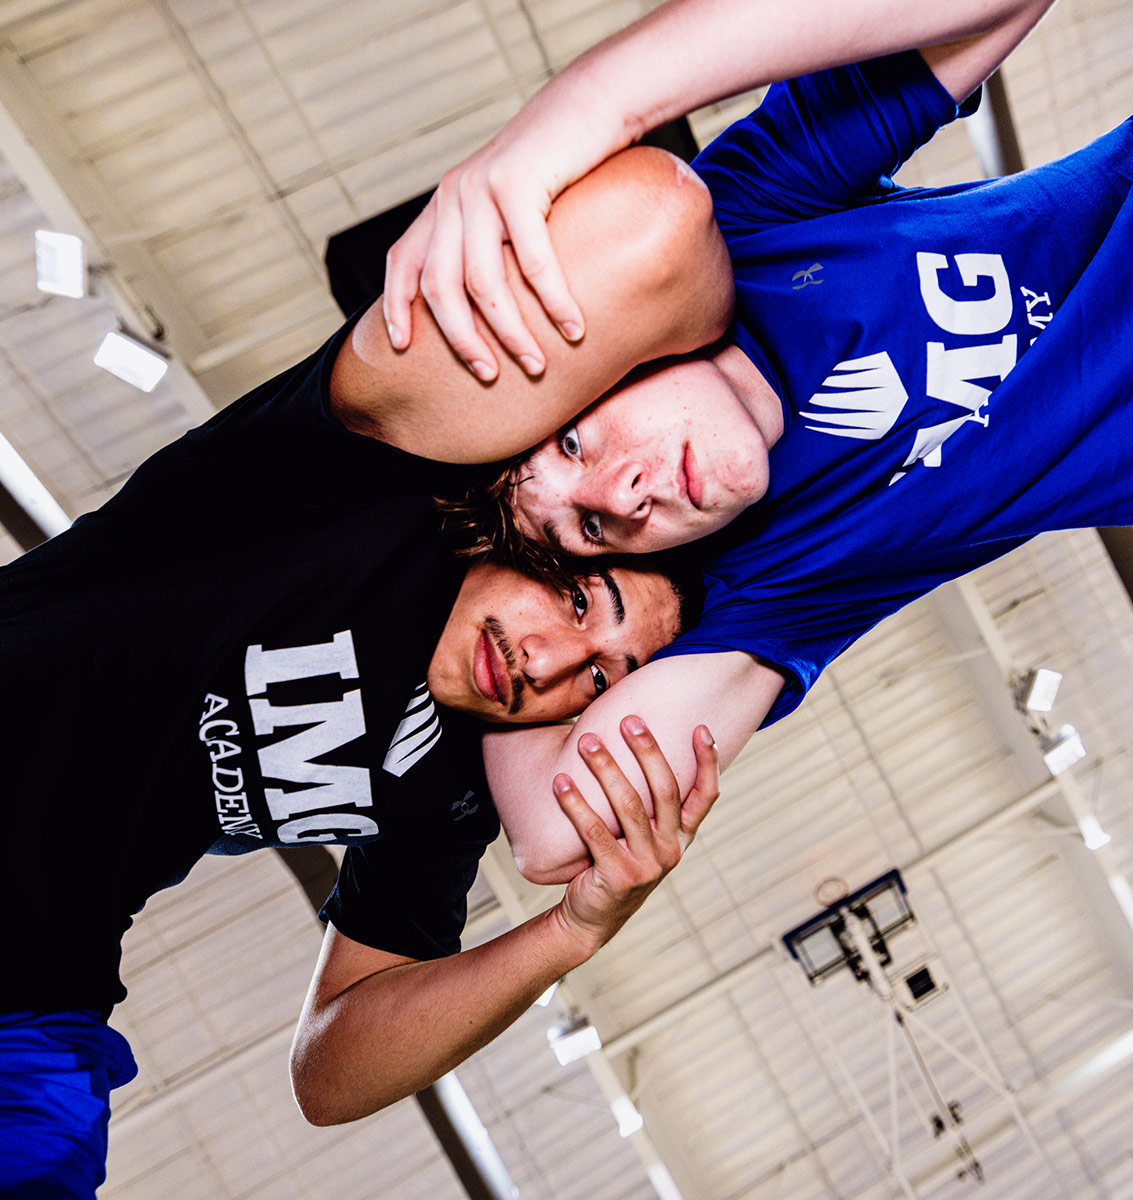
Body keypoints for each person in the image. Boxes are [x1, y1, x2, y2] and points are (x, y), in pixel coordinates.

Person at [0, 142, 731, 1198]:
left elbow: (331, 1072)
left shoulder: (450, 788)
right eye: (579, 601)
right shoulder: (373, 479)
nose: (552, 663)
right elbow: (657, 222)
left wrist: (573, 932)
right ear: (539, 527)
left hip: (29, 1004)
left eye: (601, 682)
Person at [380, 0, 1133, 879]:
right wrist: (501, 673)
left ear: (601, 362)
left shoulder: (744, 229)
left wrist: (583, 105)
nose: (623, 494)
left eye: (574, 444)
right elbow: (549, 838)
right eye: (587, 530)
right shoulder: (775, 583)